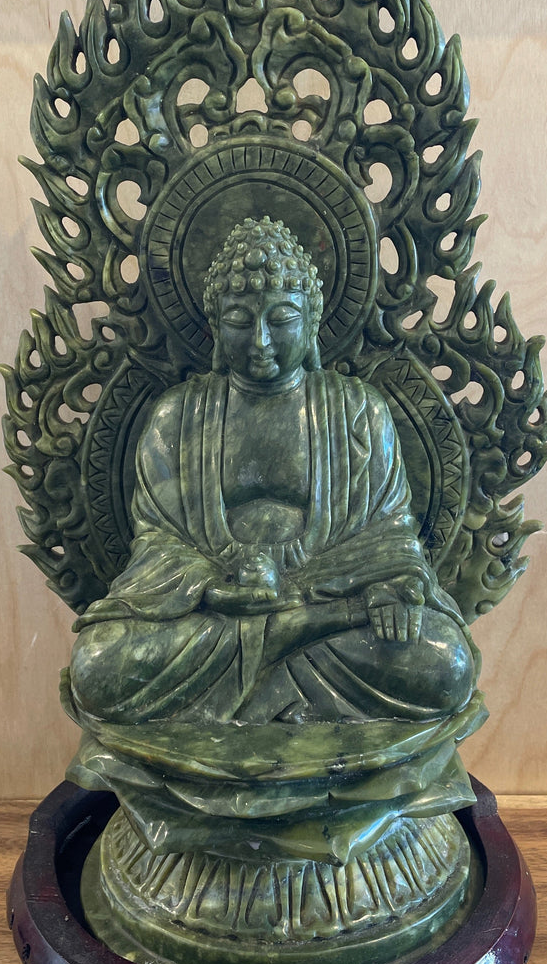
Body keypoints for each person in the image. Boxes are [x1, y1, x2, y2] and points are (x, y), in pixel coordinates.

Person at [69, 216, 478, 728]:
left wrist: (384, 589)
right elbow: (157, 543)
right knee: (97, 664)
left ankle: (292, 642)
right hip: (216, 618)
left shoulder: (358, 412)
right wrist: (213, 590)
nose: (260, 339)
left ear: (312, 321)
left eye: (281, 318)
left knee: (447, 663)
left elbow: (389, 536)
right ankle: (289, 645)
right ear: (215, 328)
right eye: (240, 320)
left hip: (335, 615)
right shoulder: (178, 417)